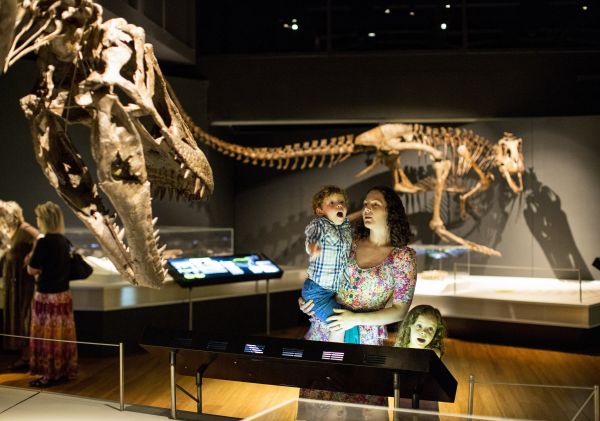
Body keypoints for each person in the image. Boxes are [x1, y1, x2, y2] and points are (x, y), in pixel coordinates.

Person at [299, 185, 417, 407]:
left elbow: (400, 309)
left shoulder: (402, 257)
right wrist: (308, 300)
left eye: (375, 204)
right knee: (319, 403)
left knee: (361, 404)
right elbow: (321, 273)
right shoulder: (349, 242)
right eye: (365, 205)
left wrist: (354, 319)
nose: (367, 209)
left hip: (365, 340)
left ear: (391, 211)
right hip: (327, 328)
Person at [27, 201, 78, 387]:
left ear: (45, 219)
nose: (37, 220)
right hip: (63, 296)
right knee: (62, 335)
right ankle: (63, 370)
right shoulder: (65, 242)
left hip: (46, 297)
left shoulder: (43, 242)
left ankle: (49, 374)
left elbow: (32, 269)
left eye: (39, 217)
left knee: (47, 335)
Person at [302, 185, 352, 343]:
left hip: (332, 290)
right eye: (331, 203)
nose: (339, 205)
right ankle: (334, 360)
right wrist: (312, 247)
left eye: (341, 202)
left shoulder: (346, 227)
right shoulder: (320, 224)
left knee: (343, 320)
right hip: (317, 291)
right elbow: (312, 236)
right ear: (320, 211)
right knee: (338, 325)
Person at [0, 201, 39, 370]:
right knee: (16, 316)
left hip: (23, 283)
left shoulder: (24, 228)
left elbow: (41, 238)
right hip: (12, 283)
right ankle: (24, 356)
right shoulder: (10, 232)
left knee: (24, 316)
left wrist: (31, 256)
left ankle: (27, 357)